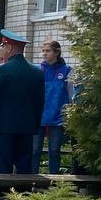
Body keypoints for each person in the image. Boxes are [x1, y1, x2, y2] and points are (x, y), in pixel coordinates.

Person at [0, 28, 44, 180]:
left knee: (0, 168)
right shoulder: (37, 72)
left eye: (3, 47)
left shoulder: (2, 71)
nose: (2, 50)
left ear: (10, 48)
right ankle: (22, 197)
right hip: (27, 128)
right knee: (24, 168)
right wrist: (36, 125)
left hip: (2, 127)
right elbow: (39, 103)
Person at [34, 39, 73, 174]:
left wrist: (69, 114)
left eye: (48, 51)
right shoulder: (38, 70)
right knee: (34, 151)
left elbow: (71, 94)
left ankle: (54, 183)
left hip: (58, 117)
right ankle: (30, 181)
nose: (44, 54)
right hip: (38, 116)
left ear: (57, 52)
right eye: (43, 51)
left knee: (54, 151)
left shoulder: (67, 71)